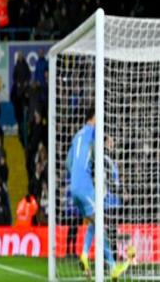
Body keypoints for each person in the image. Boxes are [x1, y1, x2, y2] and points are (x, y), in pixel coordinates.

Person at [66, 109, 132, 281]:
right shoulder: (94, 131)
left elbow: (68, 163)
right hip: (85, 186)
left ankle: (84, 255)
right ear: (93, 117)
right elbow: (98, 156)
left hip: (74, 186)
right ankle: (112, 267)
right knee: (100, 223)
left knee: (95, 223)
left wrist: (79, 174)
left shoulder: (77, 136)